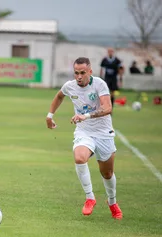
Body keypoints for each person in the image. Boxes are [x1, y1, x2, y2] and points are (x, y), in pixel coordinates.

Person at [46, 57, 123, 220]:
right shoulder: (69, 86)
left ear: (90, 72)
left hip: (103, 133)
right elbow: (59, 96)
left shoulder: (99, 84)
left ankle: (112, 202)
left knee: (107, 173)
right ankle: (90, 197)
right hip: (84, 133)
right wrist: (50, 115)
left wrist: (85, 116)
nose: (79, 76)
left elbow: (108, 108)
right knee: (79, 158)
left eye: (82, 73)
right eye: (76, 73)